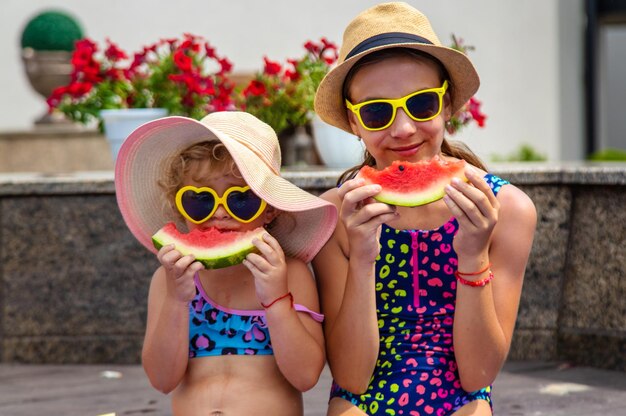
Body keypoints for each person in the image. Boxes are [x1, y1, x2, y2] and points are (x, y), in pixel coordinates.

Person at [312, 2, 537, 415]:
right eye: (377, 112)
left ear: (447, 105)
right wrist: (363, 257)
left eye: (421, 105)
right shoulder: (335, 215)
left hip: (462, 400)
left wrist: (473, 256)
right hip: (362, 399)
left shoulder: (508, 210)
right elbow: (351, 377)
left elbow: (477, 376)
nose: (402, 129)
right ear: (353, 121)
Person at [114, 111, 338, 415]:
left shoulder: (291, 274)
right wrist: (176, 301)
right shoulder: (166, 281)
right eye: (200, 200)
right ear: (180, 207)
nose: (219, 213)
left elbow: (306, 376)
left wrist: (276, 300)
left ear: (270, 209)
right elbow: (162, 379)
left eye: (241, 200)